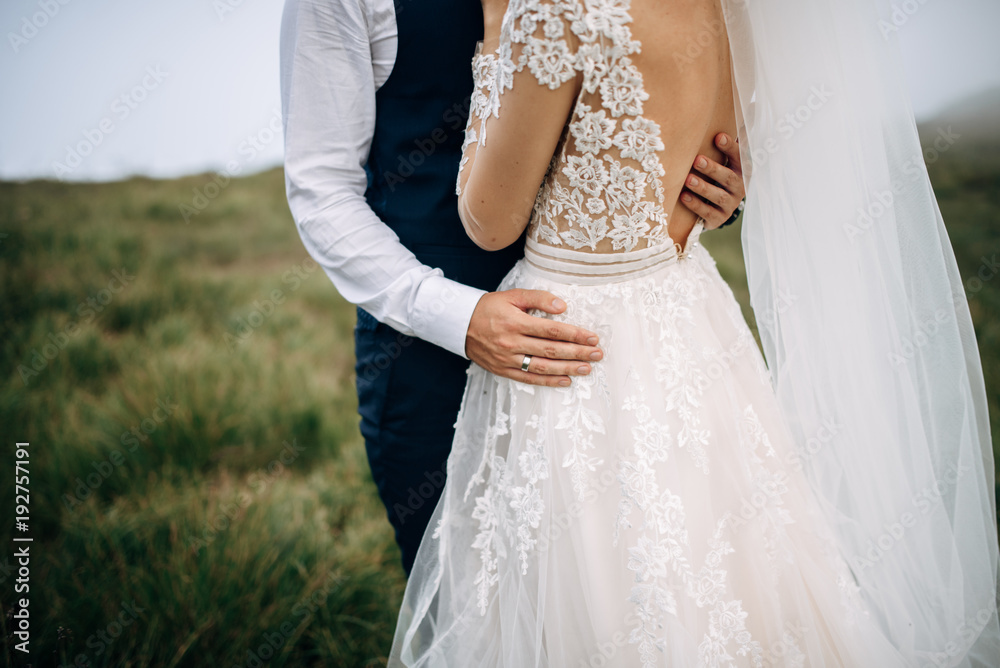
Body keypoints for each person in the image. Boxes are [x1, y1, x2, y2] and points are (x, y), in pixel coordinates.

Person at [388, 0, 1000, 665]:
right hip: (690, 314)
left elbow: (488, 221)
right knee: (724, 568)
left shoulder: (555, 10)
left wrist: (492, 34)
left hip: (575, 351)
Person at [278, 0, 746, 576]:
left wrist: (712, 194)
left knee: (632, 580)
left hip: (611, 356)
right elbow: (321, 190)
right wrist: (459, 317)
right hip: (427, 355)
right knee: (466, 594)